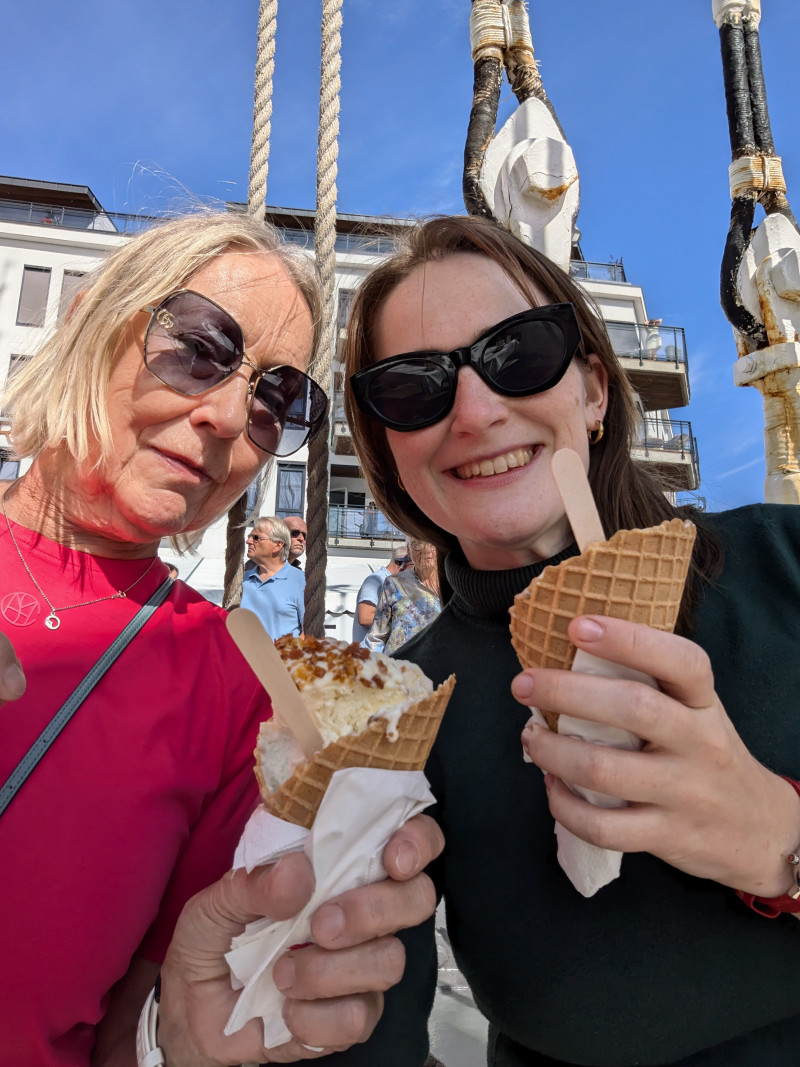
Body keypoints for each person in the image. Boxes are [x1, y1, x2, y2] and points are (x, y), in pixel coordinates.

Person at [340, 214, 800, 1065]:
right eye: (413, 388)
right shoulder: (400, 714)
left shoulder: (788, 559)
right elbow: (369, 1032)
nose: (474, 411)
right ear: (387, 451)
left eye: (517, 352)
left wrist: (781, 842)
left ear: (592, 389)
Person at [0, 210, 443, 1067]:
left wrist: (181, 1040)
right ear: (90, 315)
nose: (231, 418)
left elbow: (133, 1023)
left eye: (278, 400)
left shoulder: (237, 685)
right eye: (201, 346)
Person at [363, 539, 441, 654]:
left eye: (431, 543)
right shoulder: (394, 583)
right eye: (418, 544)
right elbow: (377, 635)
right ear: (409, 551)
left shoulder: (453, 585)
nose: (426, 550)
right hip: (398, 667)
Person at [241, 515, 305, 638]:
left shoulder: (301, 581)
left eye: (256, 538)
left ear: (277, 545)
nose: (248, 541)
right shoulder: (241, 580)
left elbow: (309, 632)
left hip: (285, 656)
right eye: (249, 536)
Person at [351, 543, 410, 643]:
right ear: (401, 563)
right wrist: (402, 621)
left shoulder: (394, 583)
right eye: (412, 568)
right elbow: (364, 617)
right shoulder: (376, 580)